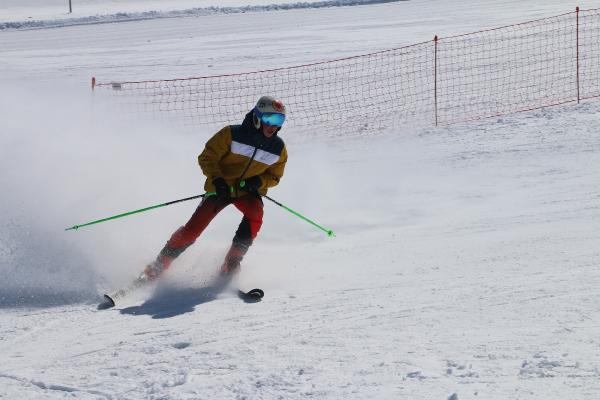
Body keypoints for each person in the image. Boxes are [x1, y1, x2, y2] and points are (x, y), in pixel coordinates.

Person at [140, 95, 288, 281]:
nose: (273, 126)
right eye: (270, 119)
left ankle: (232, 263)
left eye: (279, 120)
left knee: (256, 214)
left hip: (246, 191)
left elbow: (274, 176)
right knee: (193, 229)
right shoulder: (231, 134)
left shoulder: (278, 148)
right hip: (221, 189)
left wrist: (258, 182)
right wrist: (218, 181)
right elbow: (207, 157)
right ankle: (159, 264)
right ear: (258, 117)